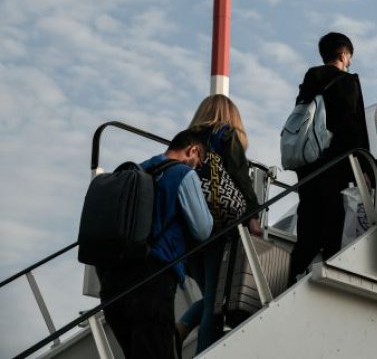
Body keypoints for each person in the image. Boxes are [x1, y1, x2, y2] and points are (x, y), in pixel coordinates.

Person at [97, 129, 213, 359]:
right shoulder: (182, 173)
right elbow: (203, 229)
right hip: (152, 278)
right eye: (199, 162)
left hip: (112, 282)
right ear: (193, 150)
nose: (198, 168)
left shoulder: (135, 171)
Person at [177, 94, 262, 353]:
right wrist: (254, 215)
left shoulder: (186, 141)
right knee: (214, 305)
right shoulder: (225, 135)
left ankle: (181, 327)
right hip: (218, 228)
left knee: (211, 296)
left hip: (189, 231)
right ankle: (202, 350)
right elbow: (240, 176)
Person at [287, 32, 370, 286]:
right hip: (336, 166)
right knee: (335, 225)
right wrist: (364, 166)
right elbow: (352, 127)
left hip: (308, 164)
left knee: (308, 228)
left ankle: (293, 280)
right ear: (343, 54)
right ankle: (330, 280)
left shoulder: (309, 83)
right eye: (349, 57)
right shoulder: (347, 81)